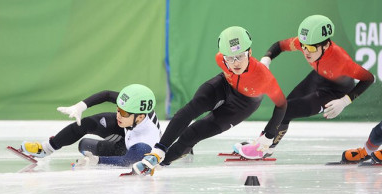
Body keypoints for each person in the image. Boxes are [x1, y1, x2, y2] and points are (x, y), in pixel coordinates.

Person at [132, 26, 287, 175]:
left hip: (243, 105)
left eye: (240, 56)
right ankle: (157, 153)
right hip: (225, 84)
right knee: (192, 108)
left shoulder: (263, 78)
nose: (235, 63)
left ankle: (161, 163)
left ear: (250, 52)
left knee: (193, 133)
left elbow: (282, 105)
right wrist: (160, 149)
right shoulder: (220, 59)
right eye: (230, 59)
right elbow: (230, 64)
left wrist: (268, 135)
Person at [256, 15, 375, 154]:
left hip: (335, 92)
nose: (306, 51)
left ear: (326, 45)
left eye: (311, 49)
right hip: (319, 77)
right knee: (283, 106)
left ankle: (264, 145)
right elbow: (279, 46)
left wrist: (344, 101)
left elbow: (369, 78)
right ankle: (266, 146)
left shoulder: (340, 59)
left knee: (287, 109)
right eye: (304, 47)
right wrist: (266, 60)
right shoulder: (306, 43)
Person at [20, 84, 161, 167]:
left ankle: (104, 148)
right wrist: (81, 106)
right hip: (127, 129)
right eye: (118, 109)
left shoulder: (145, 142)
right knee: (87, 123)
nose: (118, 114)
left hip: (126, 150)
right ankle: (45, 148)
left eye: (123, 113)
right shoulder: (135, 106)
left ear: (140, 117)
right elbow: (106, 94)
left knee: (84, 145)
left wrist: (96, 161)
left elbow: (126, 161)